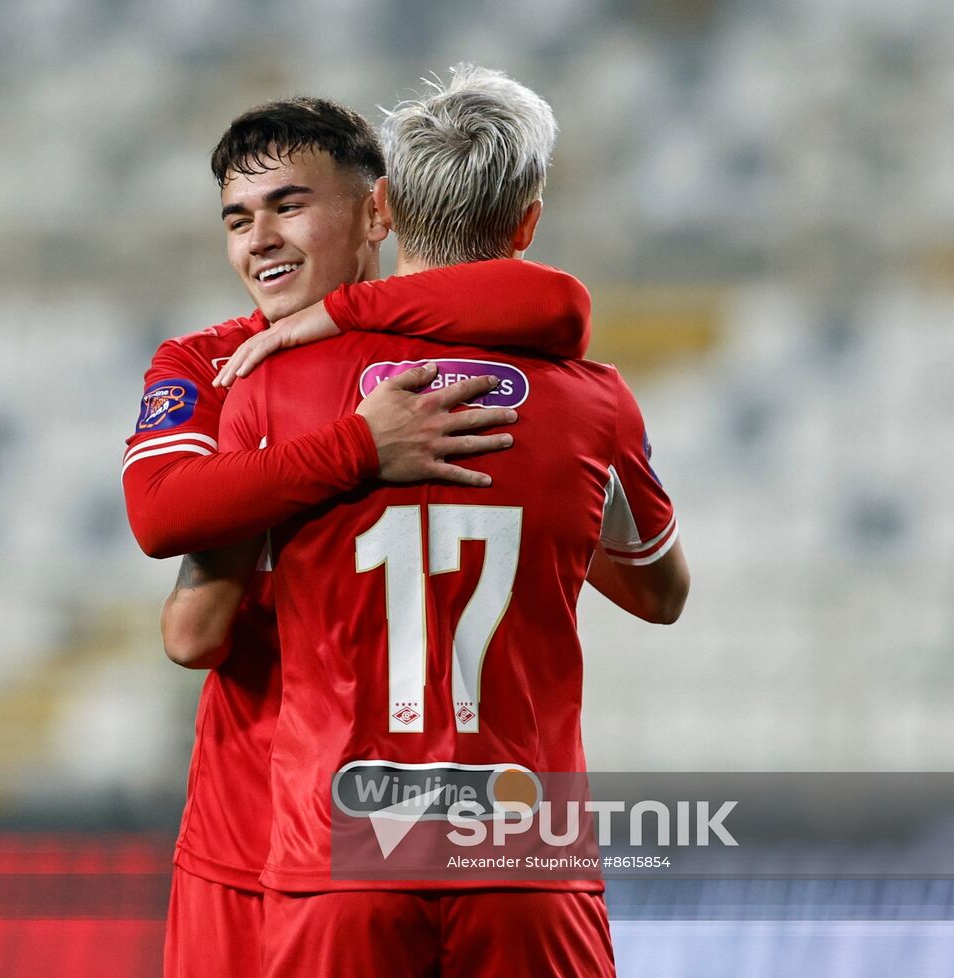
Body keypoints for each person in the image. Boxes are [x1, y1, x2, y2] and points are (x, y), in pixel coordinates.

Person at [211, 65, 691, 977]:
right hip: (522, 852)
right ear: (528, 223)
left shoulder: (273, 382)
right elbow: (661, 592)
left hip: (338, 848)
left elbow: (199, 621)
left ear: (384, 208)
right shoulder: (595, 405)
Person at [121, 97, 595, 978]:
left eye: (288, 206)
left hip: (374, 831)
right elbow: (159, 512)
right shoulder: (206, 363)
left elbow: (560, 303)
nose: (259, 239)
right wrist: (357, 448)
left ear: (380, 211)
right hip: (247, 831)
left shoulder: (454, 363)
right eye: (237, 219)